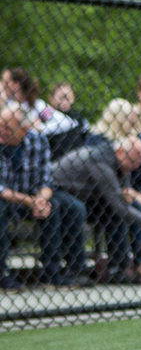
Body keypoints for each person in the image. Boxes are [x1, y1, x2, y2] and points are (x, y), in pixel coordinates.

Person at [0, 103, 90, 289]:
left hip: (32, 196)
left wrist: (41, 200)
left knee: (68, 207)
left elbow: (46, 180)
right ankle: (3, 273)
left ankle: (58, 271)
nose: (2, 129)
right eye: (1, 124)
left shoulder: (37, 140)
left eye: (7, 127)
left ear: (24, 129)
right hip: (7, 199)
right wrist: (31, 201)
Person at [52, 135, 141, 284]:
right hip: (58, 190)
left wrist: (134, 196)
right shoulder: (101, 161)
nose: (135, 167)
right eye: (132, 161)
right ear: (119, 152)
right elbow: (119, 204)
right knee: (77, 209)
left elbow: (123, 196)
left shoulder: (120, 163)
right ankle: (76, 269)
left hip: (87, 196)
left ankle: (118, 268)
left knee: (114, 212)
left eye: (138, 162)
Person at [45, 81, 90, 160]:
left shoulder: (79, 120)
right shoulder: (46, 115)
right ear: (51, 98)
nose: (65, 101)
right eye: (61, 98)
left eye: (68, 98)